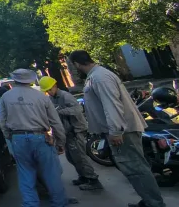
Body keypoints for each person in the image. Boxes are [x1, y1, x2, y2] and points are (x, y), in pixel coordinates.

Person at [69, 51, 166, 207]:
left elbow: (112, 105)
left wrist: (115, 131)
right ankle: (149, 200)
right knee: (134, 168)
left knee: (135, 168)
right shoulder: (97, 75)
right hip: (120, 130)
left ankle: (154, 203)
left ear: (76, 64)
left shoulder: (99, 77)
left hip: (122, 131)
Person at [0, 69, 69, 207]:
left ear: (14, 80)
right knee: (51, 174)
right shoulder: (41, 96)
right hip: (40, 137)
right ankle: (59, 203)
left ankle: (30, 204)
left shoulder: (6, 97)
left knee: (26, 175)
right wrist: (60, 142)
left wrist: (11, 137)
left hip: (18, 138)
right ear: (30, 80)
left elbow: (3, 122)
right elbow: (55, 122)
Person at [39, 76, 103, 191]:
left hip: (76, 130)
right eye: (46, 91)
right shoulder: (52, 98)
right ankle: (83, 176)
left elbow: (78, 110)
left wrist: (59, 111)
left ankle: (93, 180)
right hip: (67, 131)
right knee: (71, 157)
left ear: (55, 86)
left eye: (49, 89)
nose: (48, 92)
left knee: (80, 157)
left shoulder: (65, 96)